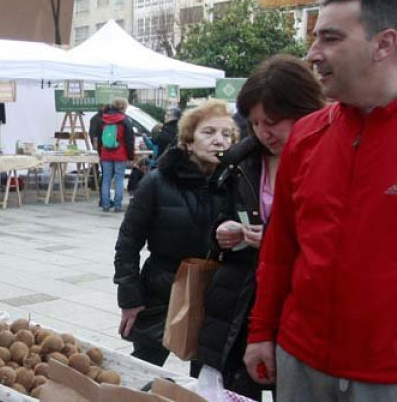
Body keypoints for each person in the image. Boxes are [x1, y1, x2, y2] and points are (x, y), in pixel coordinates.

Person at [244, 0, 397, 400]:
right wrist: (261, 332)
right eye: (314, 38)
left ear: (383, 44)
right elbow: (280, 248)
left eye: (331, 38)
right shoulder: (308, 135)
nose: (313, 54)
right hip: (301, 360)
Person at [197, 54, 324, 400]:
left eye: (272, 122)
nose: (263, 133)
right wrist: (222, 233)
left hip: (295, 306)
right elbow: (213, 219)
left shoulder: (326, 156)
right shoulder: (243, 161)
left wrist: (276, 242)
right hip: (238, 300)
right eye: (254, 123)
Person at [114, 100, 236, 369]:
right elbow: (128, 242)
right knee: (143, 368)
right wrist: (130, 298)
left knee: (207, 377)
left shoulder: (236, 184)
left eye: (226, 134)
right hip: (161, 289)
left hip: (217, 292)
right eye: (209, 132)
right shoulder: (157, 182)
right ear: (188, 141)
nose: (219, 141)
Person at [94, 98, 135, 212]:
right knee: (119, 179)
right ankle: (117, 206)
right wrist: (131, 156)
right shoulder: (125, 120)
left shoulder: (103, 119)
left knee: (106, 178)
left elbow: (99, 139)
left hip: (106, 153)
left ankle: (105, 205)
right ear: (123, 107)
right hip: (120, 153)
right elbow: (129, 141)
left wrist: (100, 153)